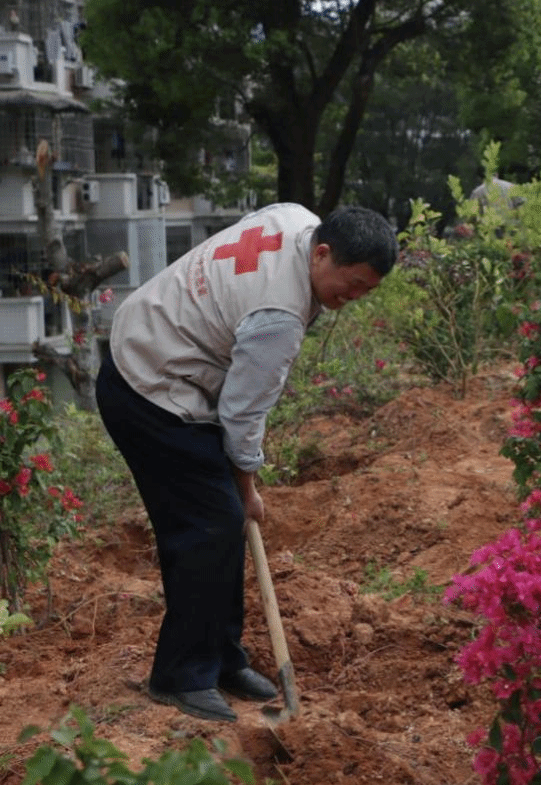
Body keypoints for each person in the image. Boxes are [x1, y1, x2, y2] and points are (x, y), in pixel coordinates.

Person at [95, 203, 399, 722]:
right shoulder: (279, 318)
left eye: (366, 291)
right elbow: (242, 415)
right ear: (322, 252)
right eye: (351, 285)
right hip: (149, 386)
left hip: (154, 339)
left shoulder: (294, 217)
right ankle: (180, 675)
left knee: (221, 522)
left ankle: (221, 659)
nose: (352, 299)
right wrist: (247, 487)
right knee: (209, 524)